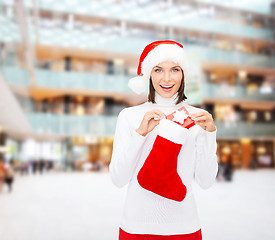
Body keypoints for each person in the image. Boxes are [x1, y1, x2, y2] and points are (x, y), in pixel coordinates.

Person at [109, 40, 218, 240]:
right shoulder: (129, 116)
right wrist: (140, 135)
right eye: (158, 70)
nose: (167, 78)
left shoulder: (198, 117)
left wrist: (210, 135)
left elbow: (206, 181)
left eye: (175, 69)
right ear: (149, 74)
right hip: (136, 227)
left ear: (183, 73)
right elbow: (118, 178)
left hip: (185, 226)